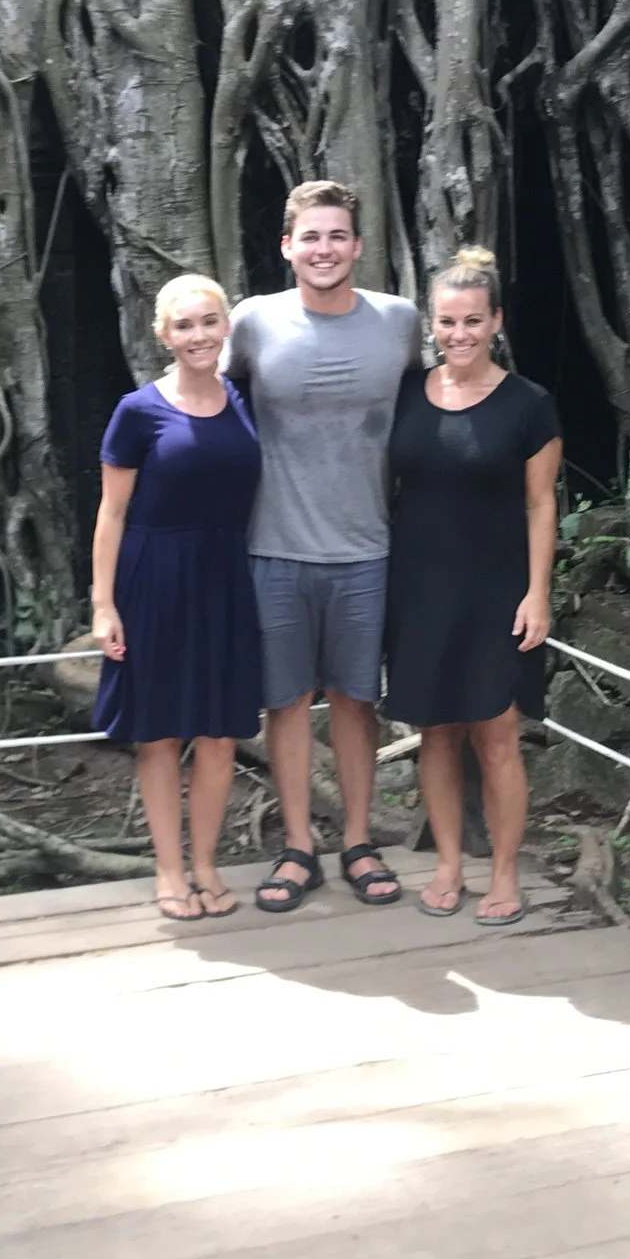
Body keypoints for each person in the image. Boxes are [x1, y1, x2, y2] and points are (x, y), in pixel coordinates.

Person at [223, 180, 423, 912]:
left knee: (355, 699)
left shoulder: (399, 322)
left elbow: (429, 408)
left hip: (367, 545)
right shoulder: (253, 322)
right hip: (272, 545)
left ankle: (360, 841)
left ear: (358, 245)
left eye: (337, 235)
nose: (324, 249)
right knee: (286, 701)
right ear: (287, 246)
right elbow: (212, 407)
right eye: (310, 237)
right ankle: (298, 845)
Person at [385, 246, 561, 927]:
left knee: (495, 734)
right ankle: (450, 863)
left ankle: (507, 872)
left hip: (497, 588)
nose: (458, 334)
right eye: (446, 322)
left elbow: (541, 503)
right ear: (432, 323)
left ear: (496, 322)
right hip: (419, 585)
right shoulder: (408, 394)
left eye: (472, 321)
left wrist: (537, 592)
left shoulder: (528, 405)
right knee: (436, 730)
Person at [90, 275, 263, 921]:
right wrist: (104, 603)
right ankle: (169, 870)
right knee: (159, 733)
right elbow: (110, 513)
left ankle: (208, 863)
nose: (199, 335)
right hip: (154, 575)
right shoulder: (139, 410)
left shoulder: (244, 400)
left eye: (209, 321)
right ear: (164, 334)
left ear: (226, 328)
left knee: (219, 734)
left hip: (225, 577)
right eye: (185, 325)